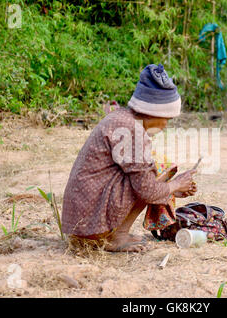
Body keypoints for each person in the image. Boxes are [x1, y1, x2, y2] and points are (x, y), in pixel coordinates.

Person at [62, 64, 196, 253]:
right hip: (87, 223)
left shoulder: (122, 118)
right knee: (157, 170)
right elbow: (147, 190)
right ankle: (115, 236)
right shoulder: (132, 130)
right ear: (155, 113)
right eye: (167, 119)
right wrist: (175, 185)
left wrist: (172, 188)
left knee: (152, 171)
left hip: (81, 219)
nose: (165, 125)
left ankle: (113, 234)